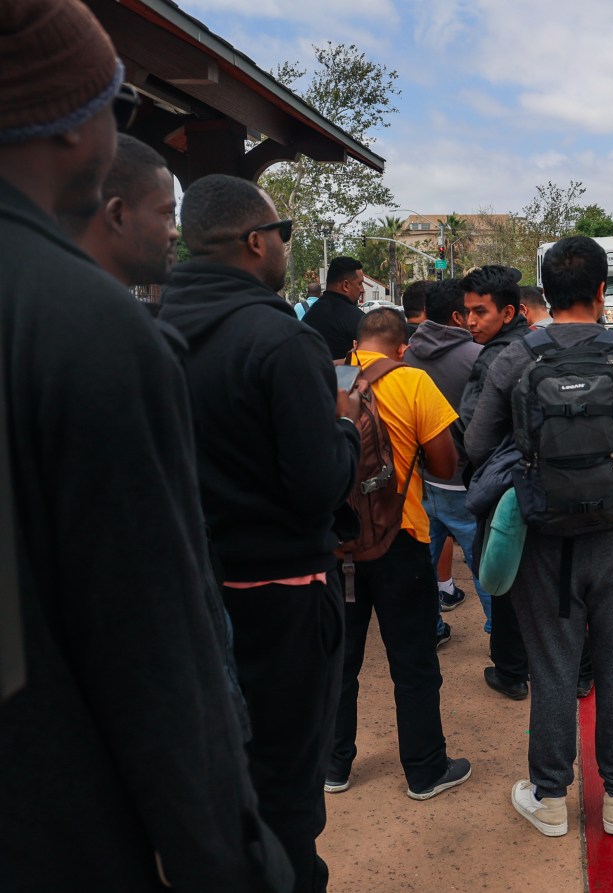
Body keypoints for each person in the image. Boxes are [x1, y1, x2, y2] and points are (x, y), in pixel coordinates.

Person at [0, 2, 291, 889]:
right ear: (72, 126)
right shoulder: (89, 328)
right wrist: (228, 854)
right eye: (119, 104)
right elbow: (154, 645)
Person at [159, 174, 360, 893]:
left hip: (185, 595)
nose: (283, 246)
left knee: (212, 781)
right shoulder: (281, 340)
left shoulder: (149, 332)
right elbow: (315, 487)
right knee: (286, 791)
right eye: (284, 234)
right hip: (282, 599)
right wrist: (344, 424)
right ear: (255, 242)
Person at [464, 236, 613, 839]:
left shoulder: (515, 359)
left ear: (544, 294)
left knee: (552, 667)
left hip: (544, 541)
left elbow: (475, 449)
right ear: (602, 291)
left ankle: (550, 796)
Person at [326, 308, 473, 800]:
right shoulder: (413, 381)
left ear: (357, 342)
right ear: (401, 347)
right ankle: (425, 770)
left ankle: (334, 766)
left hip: (337, 544)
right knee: (412, 662)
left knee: (339, 662)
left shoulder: (328, 377)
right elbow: (445, 463)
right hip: (402, 540)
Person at [457, 265, 533, 698]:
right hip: (553, 483)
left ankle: (509, 672)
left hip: (506, 487)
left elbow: (475, 436)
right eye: (467, 312)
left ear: (508, 312)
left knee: (502, 577)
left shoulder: (494, 358)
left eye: (479, 312)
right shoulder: (541, 343)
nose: (470, 321)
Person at [405, 278, 492, 637]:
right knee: (485, 568)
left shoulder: (405, 354)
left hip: (421, 480)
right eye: (469, 311)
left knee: (420, 568)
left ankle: (431, 628)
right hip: (465, 482)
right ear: (457, 315)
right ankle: (502, 642)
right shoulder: (478, 358)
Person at [60, 132, 178, 289]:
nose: (175, 233)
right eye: (166, 214)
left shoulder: (31, 303)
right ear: (117, 215)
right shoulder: (116, 312)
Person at [304, 255, 366, 359]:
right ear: (346, 285)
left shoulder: (309, 316)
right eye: (359, 284)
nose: (362, 289)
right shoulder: (357, 319)